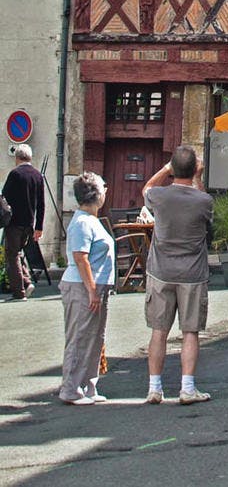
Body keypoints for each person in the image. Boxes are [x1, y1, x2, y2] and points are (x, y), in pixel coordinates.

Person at [142, 146, 214, 406]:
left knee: (159, 331)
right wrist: (199, 178)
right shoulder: (203, 200)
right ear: (194, 169)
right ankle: (187, 387)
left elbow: (146, 188)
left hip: (161, 271)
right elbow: (206, 208)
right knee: (190, 332)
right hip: (192, 273)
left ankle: (154, 388)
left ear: (173, 169)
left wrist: (165, 169)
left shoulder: (159, 196)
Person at [58, 173, 116, 405]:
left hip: (95, 286)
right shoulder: (82, 222)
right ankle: (70, 389)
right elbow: (80, 258)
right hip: (82, 286)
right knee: (80, 337)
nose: (106, 191)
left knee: (94, 338)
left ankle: (89, 386)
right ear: (96, 194)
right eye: (103, 188)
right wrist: (92, 290)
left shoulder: (91, 220)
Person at [2, 143, 45, 301]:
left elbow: (4, 196)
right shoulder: (37, 176)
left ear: (17, 157)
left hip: (14, 222)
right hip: (29, 223)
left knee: (12, 255)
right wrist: (39, 227)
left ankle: (19, 292)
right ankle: (26, 283)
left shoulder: (15, 174)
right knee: (18, 253)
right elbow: (41, 204)